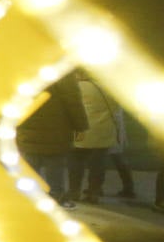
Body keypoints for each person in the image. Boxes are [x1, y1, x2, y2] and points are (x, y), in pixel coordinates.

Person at [17, 70, 88, 208]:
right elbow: (73, 101)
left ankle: (29, 199)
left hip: (28, 127)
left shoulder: (24, 70)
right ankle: (57, 198)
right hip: (56, 128)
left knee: (31, 164)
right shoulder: (62, 73)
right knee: (55, 165)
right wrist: (81, 126)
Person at [67, 69, 118, 204]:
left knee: (76, 162)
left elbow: (72, 107)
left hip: (82, 130)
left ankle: (74, 191)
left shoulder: (78, 86)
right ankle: (94, 193)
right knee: (98, 165)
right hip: (104, 131)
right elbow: (116, 108)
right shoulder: (109, 87)